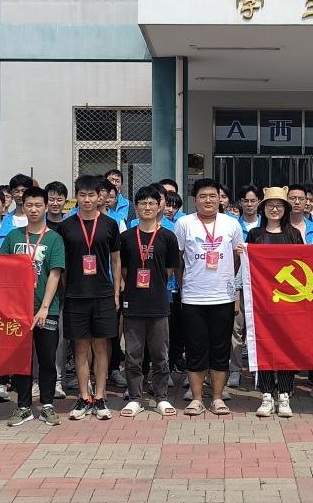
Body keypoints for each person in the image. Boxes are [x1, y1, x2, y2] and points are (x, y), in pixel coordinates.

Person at [175, 178, 245, 416]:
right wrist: (186, 286)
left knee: (220, 349)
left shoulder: (231, 224)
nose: (208, 200)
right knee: (195, 348)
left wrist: (228, 283)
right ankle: (196, 399)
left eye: (213, 196)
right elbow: (178, 261)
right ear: (195, 200)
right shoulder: (184, 223)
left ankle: (217, 398)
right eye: (203, 196)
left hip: (222, 297)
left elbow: (237, 258)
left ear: (220, 199)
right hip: (193, 298)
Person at [0, 186, 66, 426]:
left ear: (46, 207)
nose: (34, 209)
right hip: (18, 311)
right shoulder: (14, 236)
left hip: (46, 309)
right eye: (29, 205)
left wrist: (45, 307)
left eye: (39, 205)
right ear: (23, 207)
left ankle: (47, 405)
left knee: (47, 358)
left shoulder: (53, 238)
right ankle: (23, 407)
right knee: (22, 361)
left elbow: (55, 274)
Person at [59, 174, 123, 420]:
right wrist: (67, 291)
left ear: (100, 197)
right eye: (82, 195)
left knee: (101, 346)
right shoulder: (66, 226)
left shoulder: (109, 224)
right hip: (76, 295)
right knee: (81, 346)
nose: (86, 199)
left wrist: (115, 292)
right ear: (77, 197)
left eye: (91, 195)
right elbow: (63, 265)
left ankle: (100, 396)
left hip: (103, 293)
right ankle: (84, 396)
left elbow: (116, 261)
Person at [118, 185, 181, 417]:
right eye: (142, 203)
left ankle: (161, 397)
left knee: (160, 355)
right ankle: (135, 397)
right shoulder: (126, 237)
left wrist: (154, 284)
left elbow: (170, 269)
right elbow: (124, 269)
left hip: (158, 304)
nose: (147, 207)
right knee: (133, 355)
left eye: (152, 203)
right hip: (133, 303)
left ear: (159, 206)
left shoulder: (168, 237)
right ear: (135, 207)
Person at [245, 187, 304, 418]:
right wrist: (243, 252)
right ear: (263, 209)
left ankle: (285, 394)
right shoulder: (255, 235)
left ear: (286, 209)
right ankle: (267, 394)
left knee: (286, 346)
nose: (275, 209)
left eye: (279, 205)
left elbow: (303, 265)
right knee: (264, 345)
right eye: (270, 205)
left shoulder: (293, 235)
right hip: (262, 301)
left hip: (289, 301)